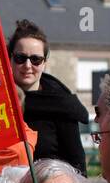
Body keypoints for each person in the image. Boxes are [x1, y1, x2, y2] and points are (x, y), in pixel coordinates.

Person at [9, 19, 90, 172]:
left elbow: (77, 166)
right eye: (20, 58)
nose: (27, 66)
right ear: (10, 59)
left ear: (44, 63)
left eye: (35, 59)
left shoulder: (61, 106)